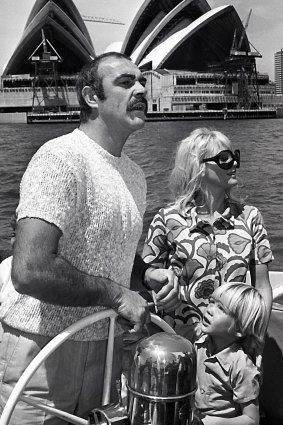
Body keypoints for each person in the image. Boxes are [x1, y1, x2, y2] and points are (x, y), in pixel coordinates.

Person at [0, 52, 180, 424]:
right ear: (90, 97)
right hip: (43, 351)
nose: (142, 89)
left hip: (107, 349)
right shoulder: (60, 158)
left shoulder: (135, 175)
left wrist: (144, 275)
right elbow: (30, 269)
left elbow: (107, 250)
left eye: (142, 80)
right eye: (126, 82)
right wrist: (116, 295)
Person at [142, 127, 273, 342]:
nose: (235, 164)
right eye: (225, 159)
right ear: (199, 167)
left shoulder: (250, 218)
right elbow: (145, 278)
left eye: (235, 157)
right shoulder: (167, 219)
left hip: (232, 347)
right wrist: (158, 288)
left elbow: (262, 287)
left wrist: (257, 338)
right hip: (180, 344)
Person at [194, 282, 269, 425]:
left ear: (239, 328)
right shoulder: (199, 344)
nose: (209, 310)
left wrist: (206, 423)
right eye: (211, 302)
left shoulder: (242, 367)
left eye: (221, 308)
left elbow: (251, 420)